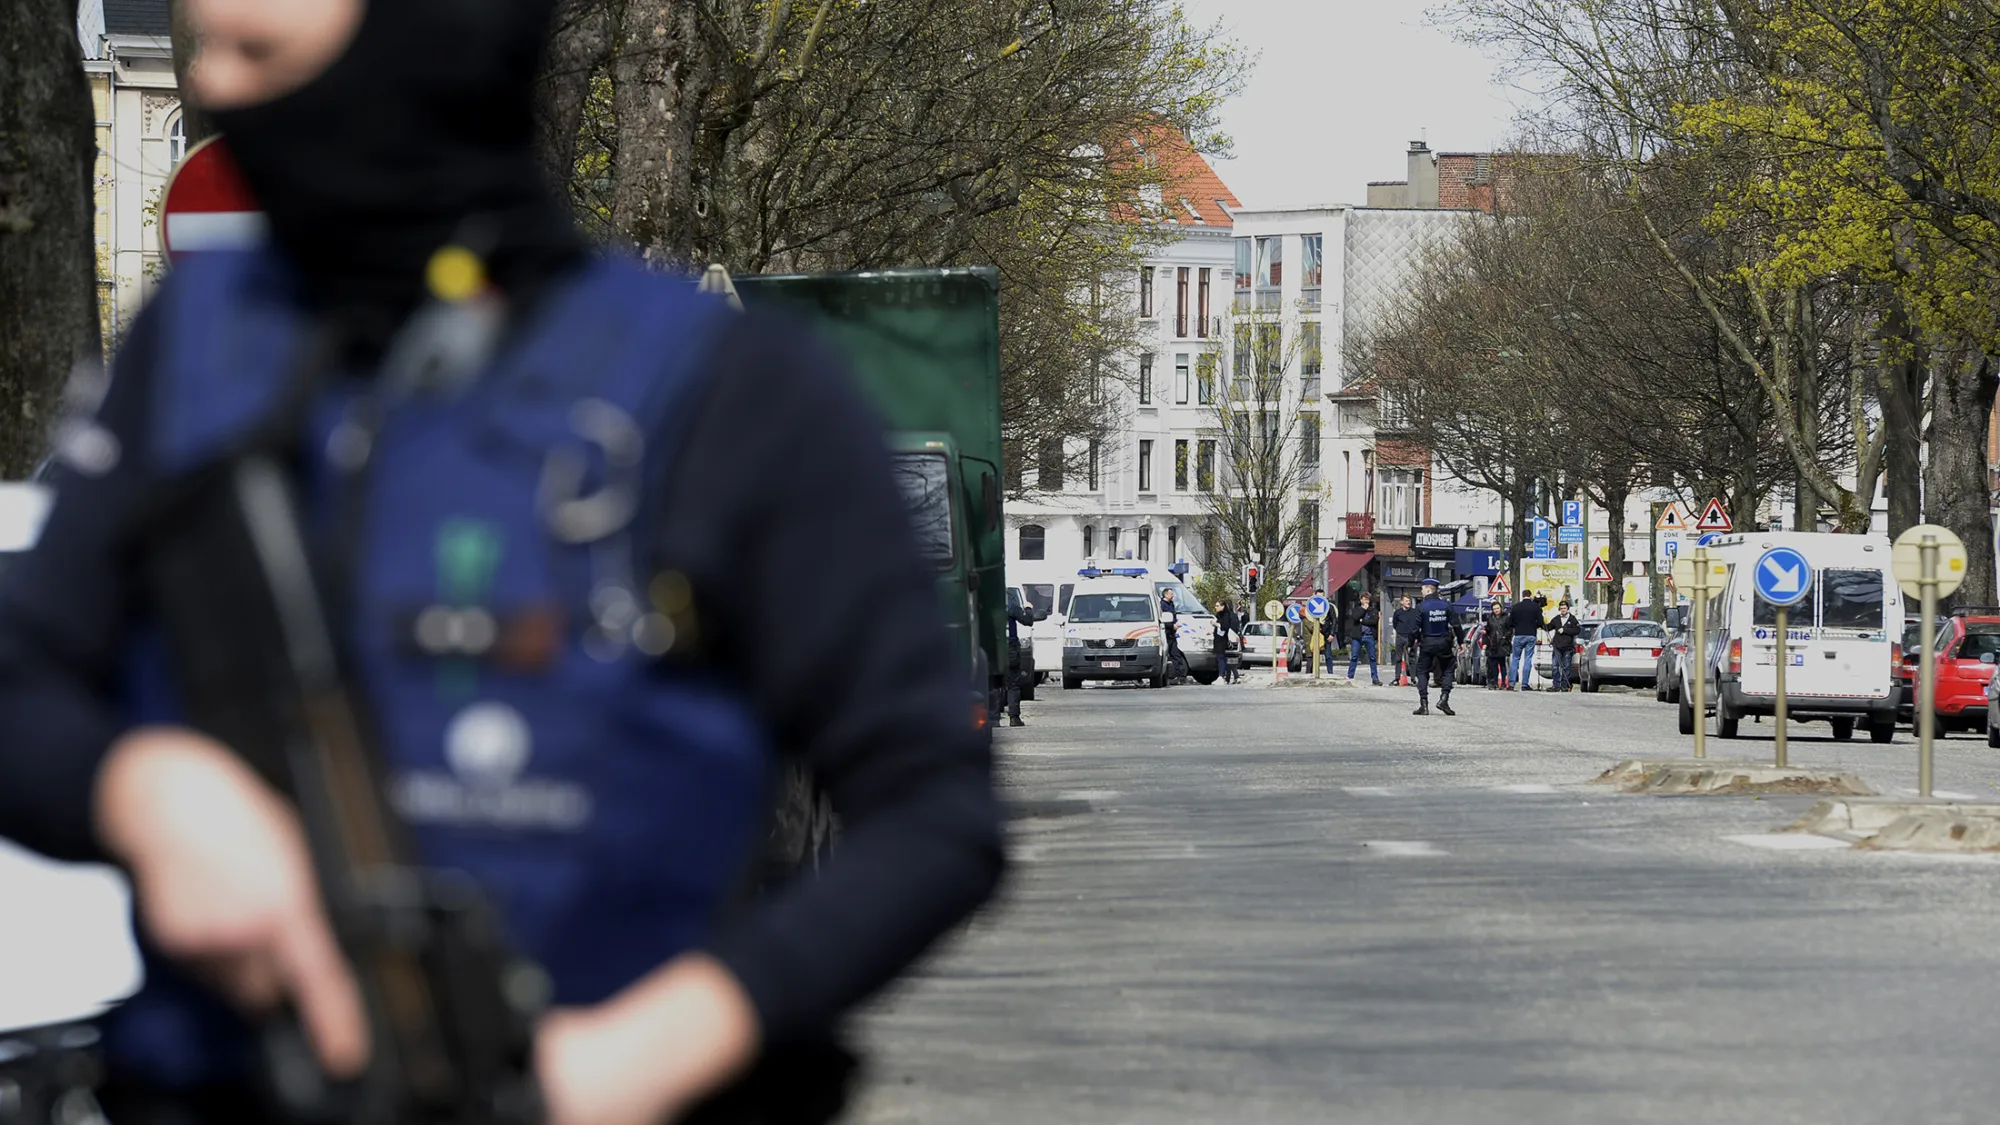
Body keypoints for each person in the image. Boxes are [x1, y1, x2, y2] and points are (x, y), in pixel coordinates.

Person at [0, 3, 1004, 1123]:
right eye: (205, 51)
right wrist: (139, 793)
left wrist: (661, 1045)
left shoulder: (733, 394)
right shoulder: (192, 349)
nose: (221, 95)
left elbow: (935, 816)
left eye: (262, 55)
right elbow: (20, 676)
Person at [1412, 578, 1463, 716]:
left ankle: (1424, 704)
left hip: (1427, 642)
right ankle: (1444, 698)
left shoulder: (1421, 607)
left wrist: (1416, 642)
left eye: (1422, 588)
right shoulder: (1446, 605)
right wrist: (1462, 641)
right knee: (1448, 669)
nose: (1421, 591)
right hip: (1443, 642)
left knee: (1422, 671)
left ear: (1429, 589)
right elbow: (1456, 625)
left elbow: (1415, 629)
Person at [1004, 598, 1036, 725]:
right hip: (1010, 649)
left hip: (991, 649)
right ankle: (1014, 718)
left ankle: (993, 718)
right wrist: (1028, 608)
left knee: (992, 683)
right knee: (1013, 684)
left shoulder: (982, 603)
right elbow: (1028, 621)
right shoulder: (1009, 605)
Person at [1509, 593, 1546, 690]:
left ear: (1522, 595)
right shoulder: (1536, 607)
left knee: (1515, 659)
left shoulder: (1516, 607)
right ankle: (1525, 684)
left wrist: (1517, 626)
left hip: (1518, 635)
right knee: (1528, 659)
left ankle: (1512, 683)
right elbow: (1541, 622)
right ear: (1530, 595)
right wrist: (1535, 625)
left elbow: (1510, 622)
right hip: (1531, 635)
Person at [1548, 599, 1584, 692]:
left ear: (1568, 609)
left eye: (1564, 608)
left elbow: (1577, 630)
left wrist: (1565, 630)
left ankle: (1565, 685)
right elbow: (1548, 627)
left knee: (1566, 667)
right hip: (1557, 646)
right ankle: (1555, 685)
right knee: (1555, 666)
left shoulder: (1572, 619)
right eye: (1561, 608)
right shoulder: (1556, 619)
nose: (1563, 610)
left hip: (1568, 647)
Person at [1346, 592, 1380, 685]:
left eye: (1368, 599)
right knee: (1354, 657)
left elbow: (1374, 621)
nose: (1366, 601)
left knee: (1372, 658)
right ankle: (1350, 676)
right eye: (1364, 599)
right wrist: (1363, 610)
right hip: (1358, 636)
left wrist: (1363, 621)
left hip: (1369, 636)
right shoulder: (1356, 609)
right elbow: (1355, 617)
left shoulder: (1373, 610)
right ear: (1361, 600)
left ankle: (1375, 678)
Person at [1391, 594, 1421, 685]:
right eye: (1406, 600)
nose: (1408, 602)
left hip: (1411, 637)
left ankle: (1413, 679)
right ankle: (1397, 678)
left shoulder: (1415, 612)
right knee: (1398, 658)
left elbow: (1418, 624)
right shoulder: (1398, 613)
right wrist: (1400, 631)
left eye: (1409, 601)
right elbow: (1395, 624)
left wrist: (1415, 636)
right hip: (1400, 636)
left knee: (1412, 658)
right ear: (1401, 602)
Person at [1484, 600, 1513, 689]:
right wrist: (1485, 638)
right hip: (1493, 644)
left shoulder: (1506, 617)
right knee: (1493, 665)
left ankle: (1503, 682)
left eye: (1497, 608)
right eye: (1494, 609)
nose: (1496, 610)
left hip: (1502, 644)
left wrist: (1505, 638)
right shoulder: (1490, 618)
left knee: (1502, 664)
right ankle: (1495, 682)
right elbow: (1487, 630)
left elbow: (1510, 630)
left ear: (1501, 608)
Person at [1159, 587, 1184, 683]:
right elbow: (1163, 619)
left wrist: (1176, 624)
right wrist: (1171, 626)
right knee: (1163, 655)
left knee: (1176, 655)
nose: (1173, 596)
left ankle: (1180, 675)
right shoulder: (1162, 605)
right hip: (1165, 633)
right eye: (1171, 594)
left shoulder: (1171, 604)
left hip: (1172, 634)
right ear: (1165, 595)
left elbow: (1173, 617)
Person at [1212, 601, 1241, 684]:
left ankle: (1222, 676)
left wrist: (1216, 624)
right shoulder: (1220, 615)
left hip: (1223, 640)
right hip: (1220, 639)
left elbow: (1225, 626)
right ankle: (1229, 677)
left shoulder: (1226, 615)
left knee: (1222, 658)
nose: (1215, 607)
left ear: (1223, 606)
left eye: (1217, 605)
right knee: (1224, 659)